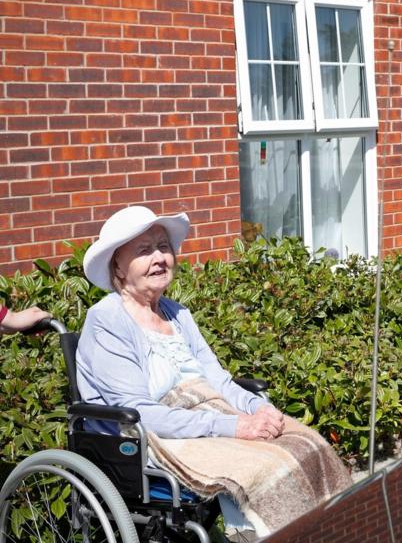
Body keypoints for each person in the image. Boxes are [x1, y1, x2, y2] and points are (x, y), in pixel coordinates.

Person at [75, 206, 348, 541]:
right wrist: (235, 426)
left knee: (308, 447)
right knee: (263, 469)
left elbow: (217, 381)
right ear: (117, 265)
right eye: (144, 251)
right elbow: (141, 414)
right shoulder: (106, 321)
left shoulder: (177, 314)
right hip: (149, 440)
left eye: (163, 247)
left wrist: (256, 410)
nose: (159, 257)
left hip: (204, 420)